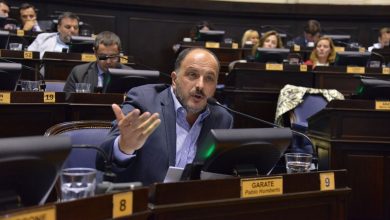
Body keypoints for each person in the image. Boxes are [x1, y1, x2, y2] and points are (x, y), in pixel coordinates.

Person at [97, 48, 233, 185]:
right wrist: (124, 147)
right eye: (192, 75)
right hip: (145, 201)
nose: (200, 85)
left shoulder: (222, 119)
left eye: (209, 78)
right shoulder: (144, 101)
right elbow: (102, 160)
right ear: (174, 79)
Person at [63, 31, 130, 93]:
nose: (108, 61)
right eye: (103, 56)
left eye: (113, 56)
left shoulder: (129, 75)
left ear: (119, 53)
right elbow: (67, 100)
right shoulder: (78, 73)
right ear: (95, 53)